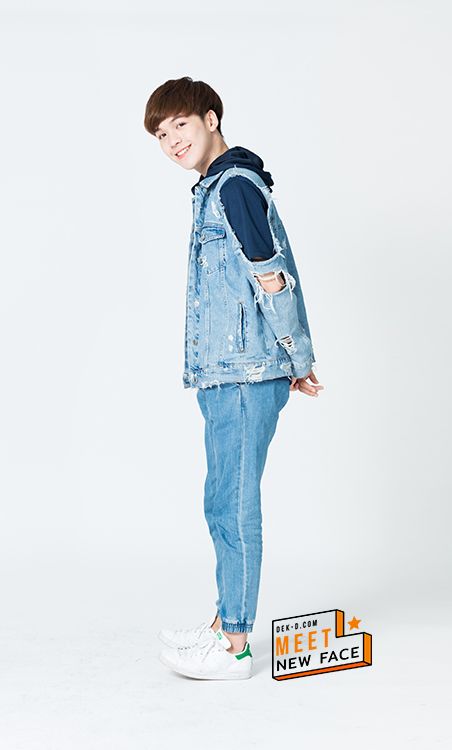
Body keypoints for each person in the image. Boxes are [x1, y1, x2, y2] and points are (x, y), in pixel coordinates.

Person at [143, 77, 324, 680]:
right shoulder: (217, 187)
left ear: (211, 118)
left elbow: (271, 276)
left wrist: (297, 357)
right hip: (228, 372)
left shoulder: (235, 186)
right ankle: (225, 621)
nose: (171, 140)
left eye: (180, 124)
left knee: (234, 503)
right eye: (161, 134)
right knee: (221, 498)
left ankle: (236, 646)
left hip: (246, 372)